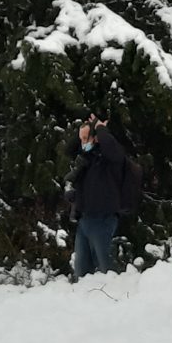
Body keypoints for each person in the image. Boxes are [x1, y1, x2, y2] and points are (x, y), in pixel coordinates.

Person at [66, 116, 128, 277]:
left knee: (107, 270)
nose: (82, 143)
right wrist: (82, 129)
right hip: (84, 219)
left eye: (86, 138)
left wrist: (100, 129)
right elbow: (68, 150)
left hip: (103, 219)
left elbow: (113, 150)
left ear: (96, 139)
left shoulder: (108, 160)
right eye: (81, 139)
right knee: (81, 272)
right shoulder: (86, 159)